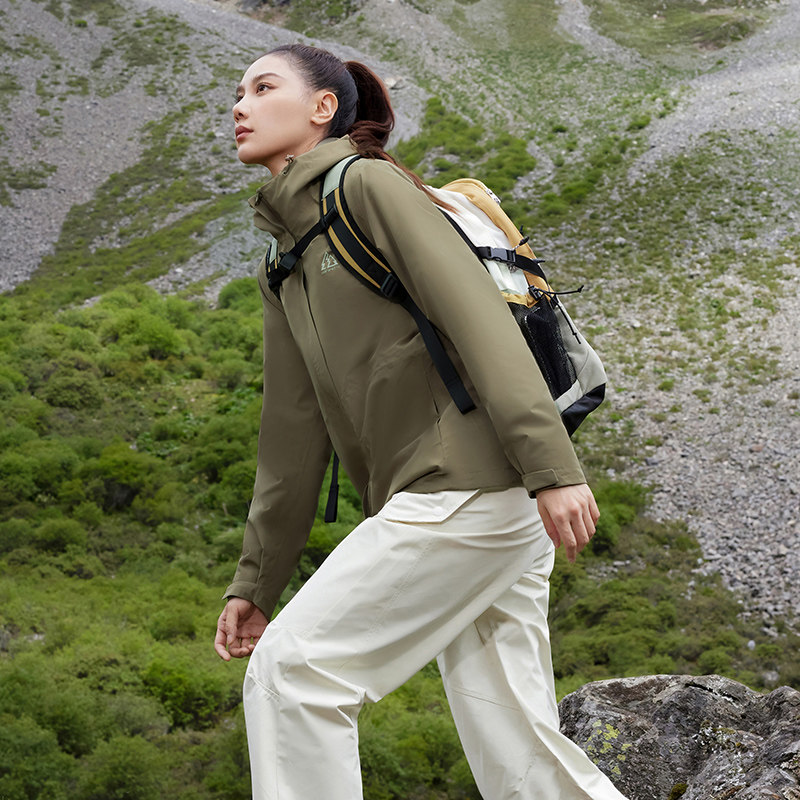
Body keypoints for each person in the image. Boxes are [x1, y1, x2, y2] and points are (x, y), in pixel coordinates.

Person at [214, 43, 629, 800]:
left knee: (297, 674)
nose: (239, 106)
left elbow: (477, 321)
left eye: (262, 87)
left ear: (322, 109)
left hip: (473, 487)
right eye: (236, 93)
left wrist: (553, 469)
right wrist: (257, 581)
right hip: (467, 501)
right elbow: (290, 432)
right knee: (517, 749)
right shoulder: (284, 260)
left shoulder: (365, 185)